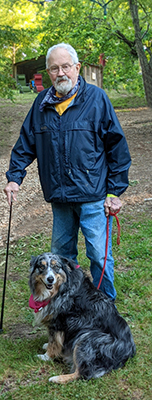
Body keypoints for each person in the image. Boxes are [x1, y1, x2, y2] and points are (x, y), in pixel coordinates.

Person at [4, 42, 131, 301]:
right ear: (48, 72)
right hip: (60, 197)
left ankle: (105, 310)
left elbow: (117, 147)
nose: (60, 73)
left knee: (99, 255)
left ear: (77, 68)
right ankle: (65, 311)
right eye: (54, 68)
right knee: (61, 260)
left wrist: (115, 191)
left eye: (65, 67)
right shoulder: (41, 103)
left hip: (93, 195)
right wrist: (14, 178)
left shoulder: (97, 99)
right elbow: (25, 144)